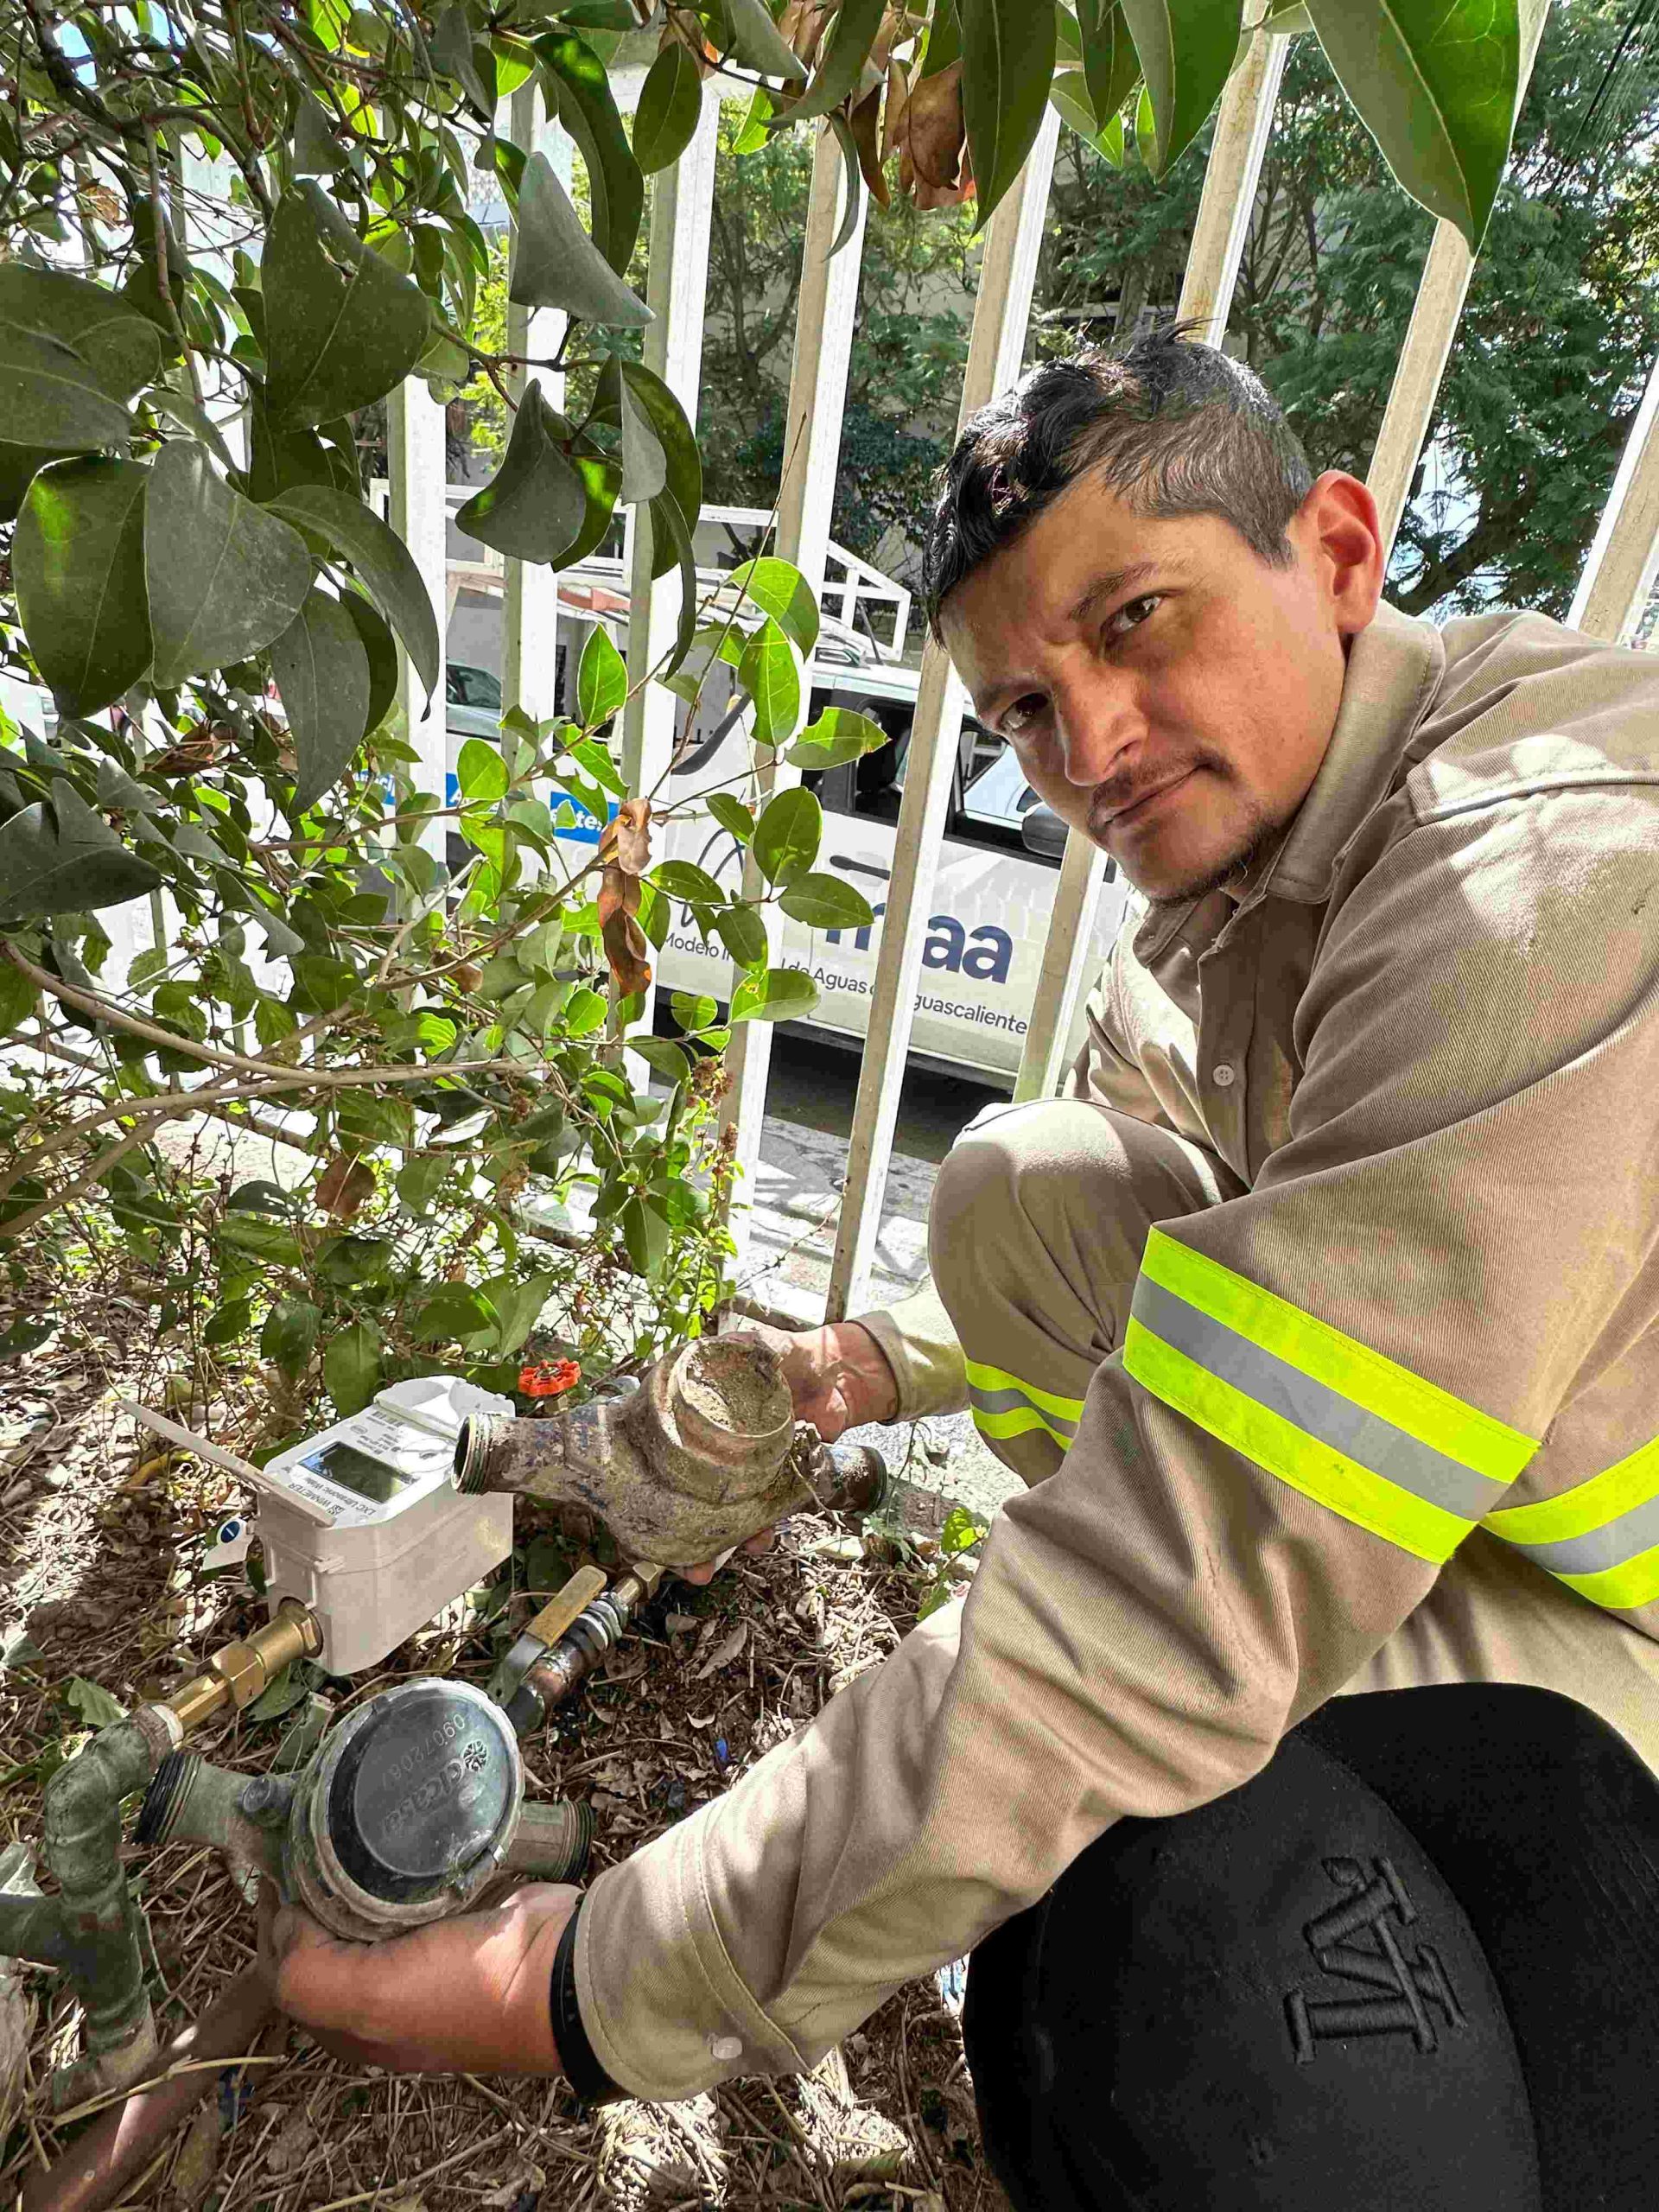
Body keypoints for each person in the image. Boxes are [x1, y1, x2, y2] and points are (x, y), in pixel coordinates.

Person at [270, 332, 1659, 2206]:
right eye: (1019, 704)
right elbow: (1184, 1244)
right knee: (1015, 1187)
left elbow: (1152, 1603)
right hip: (1519, 1492)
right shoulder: (1243, 888)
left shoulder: (1533, 878)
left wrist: (584, 1979)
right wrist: (858, 1362)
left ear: (1337, 550)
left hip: (1625, 1624)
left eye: (1138, 618)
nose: (1083, 749)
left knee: (1169, 1942)